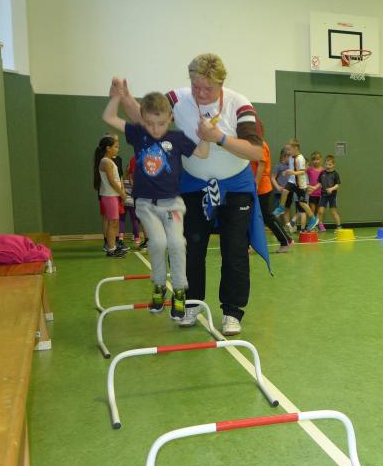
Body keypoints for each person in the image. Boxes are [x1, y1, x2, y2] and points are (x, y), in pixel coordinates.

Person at [115, 53, 271, 336]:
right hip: (193, 186)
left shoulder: (239, 104)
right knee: (191, 248)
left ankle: (232, 311)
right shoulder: (178, 98)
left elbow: (255, 151)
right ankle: (191, 303)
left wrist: (218, 138)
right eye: (195, 85)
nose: (199, 93)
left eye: (207, 88)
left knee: (235, 250)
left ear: (221, 83)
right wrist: (125, 99)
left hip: (235, 188)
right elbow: (147, 119)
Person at [103, 89, 209, 318]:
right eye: (150, 123)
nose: (155, 129)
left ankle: (179, 291)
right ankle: (159, 286)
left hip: (172, 204)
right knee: (159, 243)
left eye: (160, 123)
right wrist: (117, 96)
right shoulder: (138, 133)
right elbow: (109, 117)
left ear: (170, 117)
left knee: (177, 243)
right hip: (146, 205)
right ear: (143, 118)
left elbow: (202, 153)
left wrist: (206, 134)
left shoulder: (177, 138)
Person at [251, 120, 292, 253]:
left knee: (267, 216)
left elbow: (261, 165)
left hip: (261, 187)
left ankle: (286, 241)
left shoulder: (261, 145)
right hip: (255, 186)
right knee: (250, 216)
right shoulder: (253, 144)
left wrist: (255, 184)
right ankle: (247, 245)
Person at [93, 134, 127, 258]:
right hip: (109, 196)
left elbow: (117, 178)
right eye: (116, 147)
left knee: (115, 222)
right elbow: (112, 181)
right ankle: (111, 249)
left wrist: (121, 192)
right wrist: (122, 193)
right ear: (108, 148)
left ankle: (113, 247)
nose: (118, 149)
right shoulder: (105, 161)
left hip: (113, 195)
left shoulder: (109, 161)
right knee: (113, 222)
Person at [272, 140, 319, 231]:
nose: (288, 152)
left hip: (300, 184)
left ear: (296, 148)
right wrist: (287, 172)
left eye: (289, 149)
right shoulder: (291, 158)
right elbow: (291, 169)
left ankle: (313, 219)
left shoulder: (300, 158)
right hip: (292, 181)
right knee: (285, 191)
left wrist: (292, 172)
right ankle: (281, 207)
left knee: (302, 203)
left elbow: (302, 172)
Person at [271, 147, 294, 233]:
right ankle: (275, 228)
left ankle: (288, 227)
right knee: (278, 210)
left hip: (288, 192)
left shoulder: (291, 167)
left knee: (286, 209)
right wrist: (277, 187)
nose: (292, 160)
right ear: (285, 156)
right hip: (279, 192)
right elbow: (273, 178)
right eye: (290, 157)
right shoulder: (278, 166)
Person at [317, 154, 342, 230]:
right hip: (323, 195)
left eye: (330, 164)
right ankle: (320, 225)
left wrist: (331, 189)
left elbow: (337, 185)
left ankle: (339, 227)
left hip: (332, 196)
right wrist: (314, 188)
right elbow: (319, 183)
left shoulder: (335, 174)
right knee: (320, 211)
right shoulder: (322, 173)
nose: (328, 166)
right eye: (326, 164)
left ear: (333, 164)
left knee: (333, 211)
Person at [306, 151, 325, 231]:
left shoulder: (323, 170)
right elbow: (304, 178)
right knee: (312, 210)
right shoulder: (309, 170)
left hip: (321, 194)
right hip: (312, 194)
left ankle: (320, 223)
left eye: (317, 159)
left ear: (321, 160)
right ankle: (311, 225)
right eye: (314, 159)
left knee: (319, 211)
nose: (316, 161)